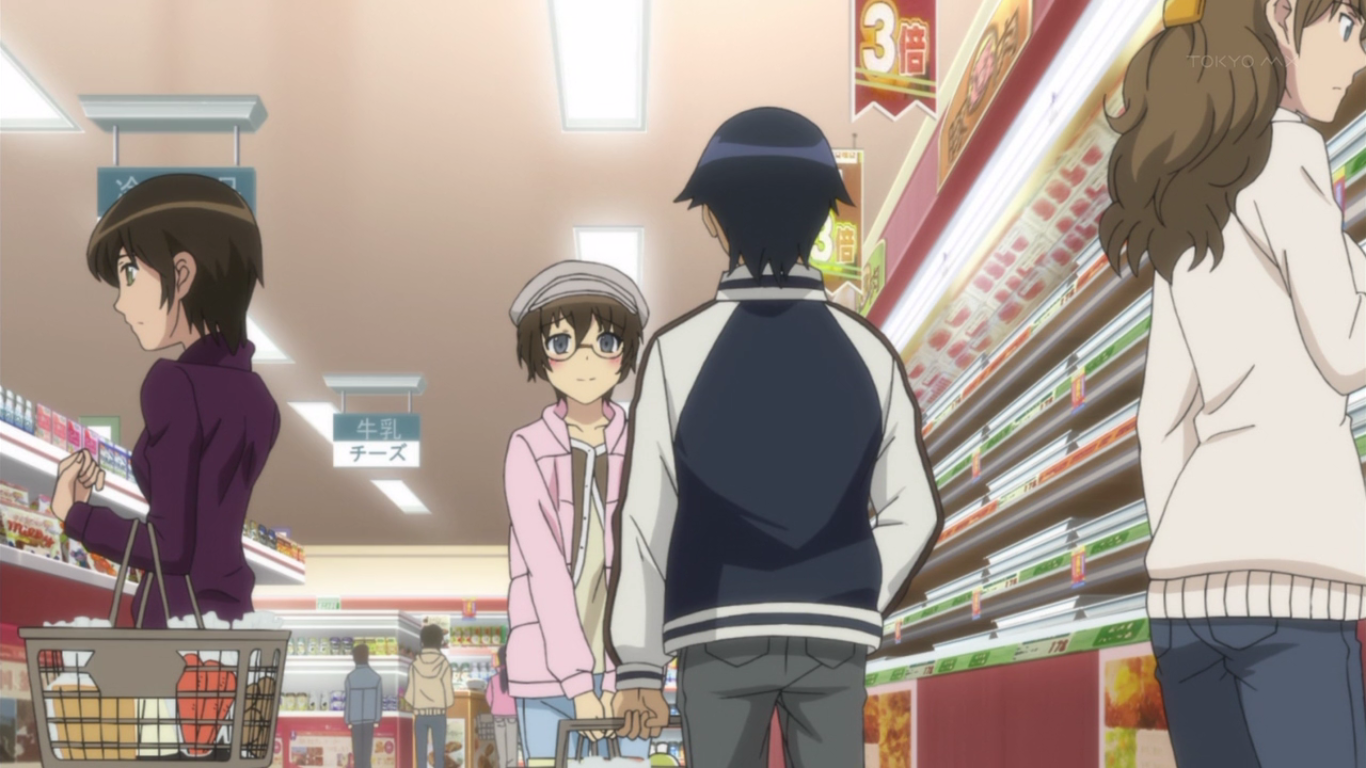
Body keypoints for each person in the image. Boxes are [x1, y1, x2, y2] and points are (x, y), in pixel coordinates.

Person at [605, 107, 944, 768]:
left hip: (715, 629)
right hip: (834, 638)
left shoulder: (677, 352)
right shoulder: (869, 352)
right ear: (823, 220)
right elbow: (916, 508)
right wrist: (855, 590)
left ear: (713, 218)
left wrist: (639, 664)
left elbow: (647, 518)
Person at [1099, 0, 1366, 765]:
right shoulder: (1287, 152)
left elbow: (1161, 423)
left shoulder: (1187, 196)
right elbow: (1347, 349)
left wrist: (1193, 546)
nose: (1359, 58)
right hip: (1292, 580)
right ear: (1281, 16)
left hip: (1183, 596)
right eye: (1348, 27)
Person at [49, 174, 280, 628]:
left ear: (182, 273)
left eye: (129, 274)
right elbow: (207, 528)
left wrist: (75, 514)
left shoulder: (174, 385)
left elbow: (169, 547)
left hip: (174, 624)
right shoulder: (260, 399)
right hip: (232, 616)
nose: (120, 303)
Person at [504, 260, 652, 765]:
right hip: (546, 672)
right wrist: (579, 685)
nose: (585, 362)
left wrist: (620, 678)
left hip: (628, 677)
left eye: (606, 343)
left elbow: (649, 562)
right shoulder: (527, 447)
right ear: (541, 355)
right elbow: (543, 567)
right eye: (562, 343)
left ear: (625, 354)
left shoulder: (642, 443)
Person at [404, 624, 454, 768]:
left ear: (422, 642)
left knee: (421, 756)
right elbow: (449, 697)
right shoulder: (444, 663)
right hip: (439, 715)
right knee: (439, 755)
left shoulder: (415, 664)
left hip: (420, 716)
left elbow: (409, 695)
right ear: (440, 642)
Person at [344, 644, 382, 768]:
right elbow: (378, 702)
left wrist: (347, 720)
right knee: (366, 755)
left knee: (358, 755)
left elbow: (348, 701)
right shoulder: (376, 677)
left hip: (355, 721)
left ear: (355, 658)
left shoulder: (350, 678)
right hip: (369, 720)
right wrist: (377, 719)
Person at [484, 645, 520, 768]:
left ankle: (502, 765)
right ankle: (512, 765)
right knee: (512, 743)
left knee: (501, 745)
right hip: (513, 714)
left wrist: (495, 707)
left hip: (497, 715)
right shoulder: (515, 678)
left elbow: (489, 697)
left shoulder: (494, 679)